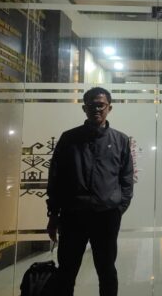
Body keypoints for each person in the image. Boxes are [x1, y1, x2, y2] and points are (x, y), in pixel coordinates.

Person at [46, 87, 134, 296]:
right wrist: (53, 214)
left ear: (109, 108)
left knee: (106, 270)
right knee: (67, 270)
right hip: (73, 215)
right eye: (92, 105)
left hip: (106, 216)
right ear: (84, 108)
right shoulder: (69, 138)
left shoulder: (120, 140)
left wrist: (118, 207)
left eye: (101, 105)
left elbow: (126, 178)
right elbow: (56, 178)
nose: (97, 109)